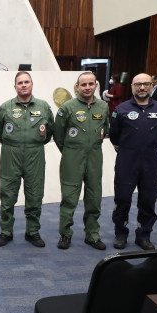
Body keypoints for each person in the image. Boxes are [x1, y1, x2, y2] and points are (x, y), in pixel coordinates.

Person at [0, 71, 54, 247]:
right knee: (8, 194)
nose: (24, 85)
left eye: (27, 82)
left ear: (32, 84)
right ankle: (6, 232)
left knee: (35, 194)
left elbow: (49, 131)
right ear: (15, 87)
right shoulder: (6, 107)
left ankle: (32, 232)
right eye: (20, 83)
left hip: (35, 154)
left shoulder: (43, 107)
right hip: (10, 154)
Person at [109, 73, 157, 250]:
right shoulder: (121, 109)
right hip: (127, 160)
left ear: (152, 86)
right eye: (138, 85)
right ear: (132, 87)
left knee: (148, 199)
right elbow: (114, 135)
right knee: (122, 198)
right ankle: (120, 233)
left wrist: (150, 146)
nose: (142, 88)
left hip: (151, 160)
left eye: (146, 84)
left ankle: (143, 234)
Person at [53, 71, 110, 250]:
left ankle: (92, 235)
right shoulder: (67, 108)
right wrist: (71, 151)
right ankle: (65, 234)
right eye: (83, 84)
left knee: (94, 197)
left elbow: (105, 130)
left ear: (96, 85)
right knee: (69, 198)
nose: (87, 87)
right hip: (72, 158)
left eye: (90, 84)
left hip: (95, 157)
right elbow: (58, 135)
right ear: (77, 87)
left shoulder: (103, 107)